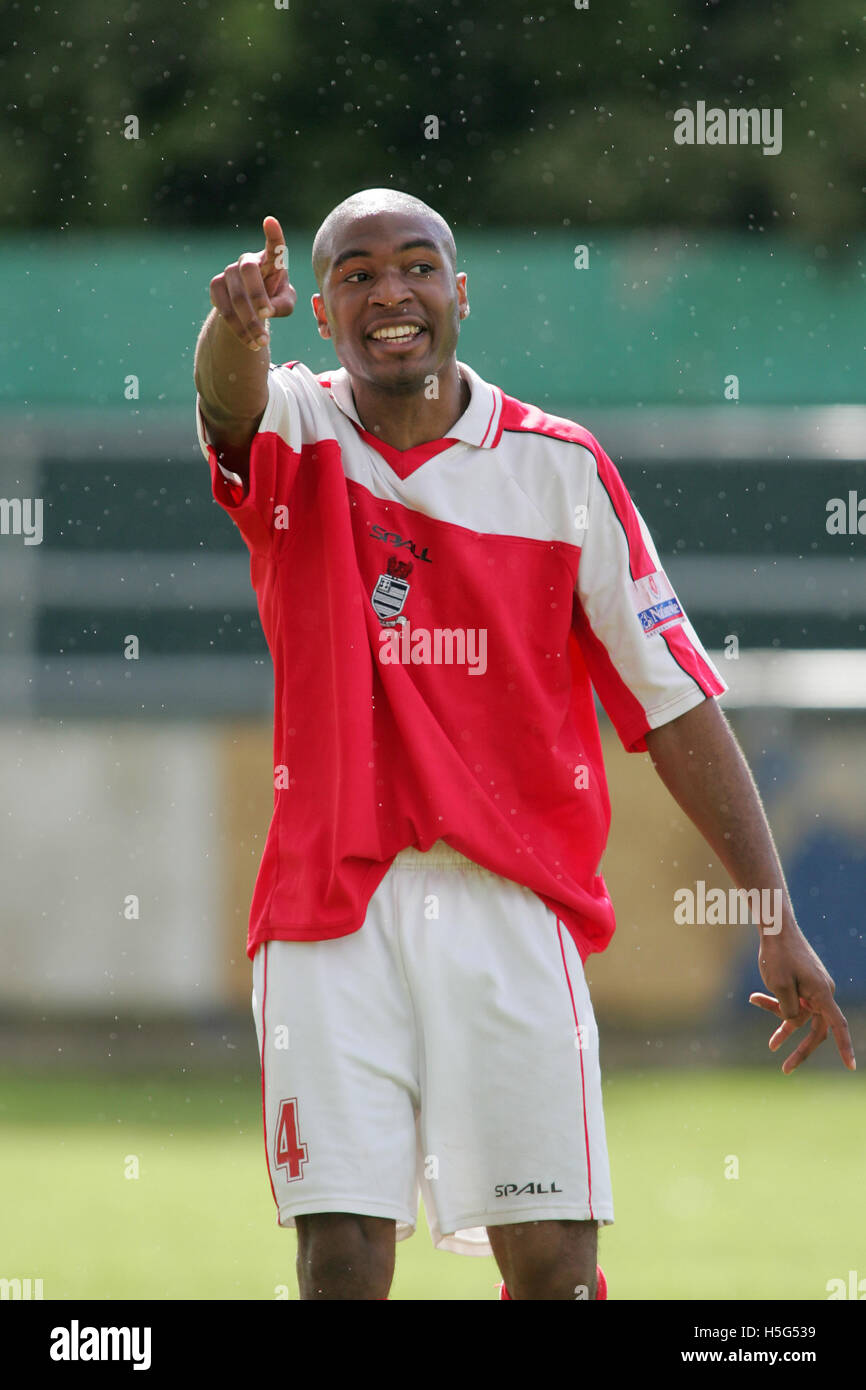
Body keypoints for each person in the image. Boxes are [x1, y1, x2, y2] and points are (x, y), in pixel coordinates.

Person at [193, 189, 855, 1301]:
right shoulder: (296, 429)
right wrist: (232, 328)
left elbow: (674, 704)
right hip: (325, 908)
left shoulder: (560, 470)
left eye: (414, 266)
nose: (389, 292)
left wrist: (771, 911)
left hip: (509, 902)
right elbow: (225, 403)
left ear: (461, 291)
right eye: (356, 275)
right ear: (318, 311)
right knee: (341, 1255)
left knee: (552, 1262)